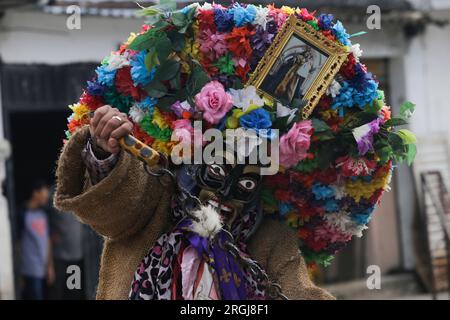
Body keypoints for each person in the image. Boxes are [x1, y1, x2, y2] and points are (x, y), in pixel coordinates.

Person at [54, 105, 334, 300]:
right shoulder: (156, 198)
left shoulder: (270, 236)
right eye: (216, 173)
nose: (223, 194)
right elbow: (114, 207)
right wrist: (105, 151)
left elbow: (299, 290)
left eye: (245, 185)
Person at [18, 180, 55, 300]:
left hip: (43, 270)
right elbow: (16, 244)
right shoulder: (22, 213)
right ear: (35, 193)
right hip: (29, 270)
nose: (47, 197)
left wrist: (50, 266)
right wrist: (18, 272)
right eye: (44, 194)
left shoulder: (43, 213)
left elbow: (47, 241)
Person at [48, 185, 85, 300]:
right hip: (59, 256)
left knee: (74, 291)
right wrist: (51, 233)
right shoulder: (52, 192)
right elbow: (41, 214)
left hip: (75, 257)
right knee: (57, 292)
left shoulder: (81, 192)